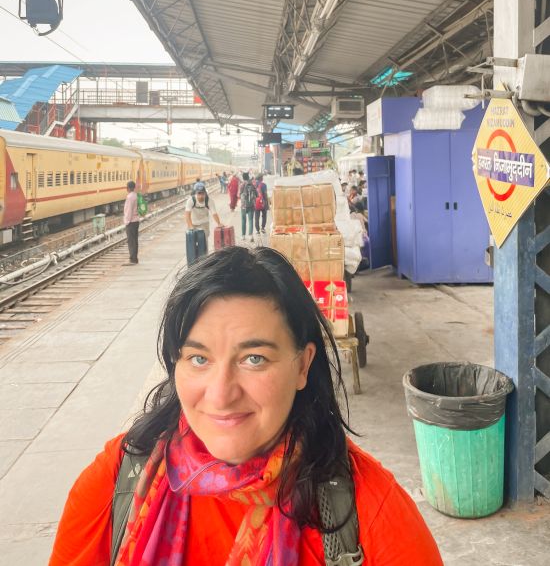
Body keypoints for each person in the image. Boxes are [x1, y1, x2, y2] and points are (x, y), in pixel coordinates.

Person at [48, 246, 443, 566]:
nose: (220, 395)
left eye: (254, 358)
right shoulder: (116, 482)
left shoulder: (368, 512)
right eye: (198, 359)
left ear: (303, 365)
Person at [184, 182, 221, 251]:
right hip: (193, 223)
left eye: (202, 194)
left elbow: (214, 213)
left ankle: (205, 257)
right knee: (192, 243)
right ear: (196, 193)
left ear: (205, 193)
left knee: (204, 242)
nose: (201, 196)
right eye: (199, 194)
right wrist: (190, 225)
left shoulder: (209, 201)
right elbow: (187, 214)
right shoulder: (191, 200)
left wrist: (219, 223)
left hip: (204, 223)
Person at [123, 180, 139, 265]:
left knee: (131, 241)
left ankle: (132, 259)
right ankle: (135, 258)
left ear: (128, 188)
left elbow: (128, 211)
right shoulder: (136, 195)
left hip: (131, 222)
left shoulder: (129, 197)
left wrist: (127, 221)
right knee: (135, 240)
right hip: (136, 220)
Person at [240, 171, 256, 242]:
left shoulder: (242, 185)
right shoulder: (252, 184)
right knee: (250, 220)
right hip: (251, 205)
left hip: (243, 206)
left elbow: (239, 194)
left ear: (243, 178)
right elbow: (257, 194)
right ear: (248, 177)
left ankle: (243, 236)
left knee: (243, 220)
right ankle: (251, 236)